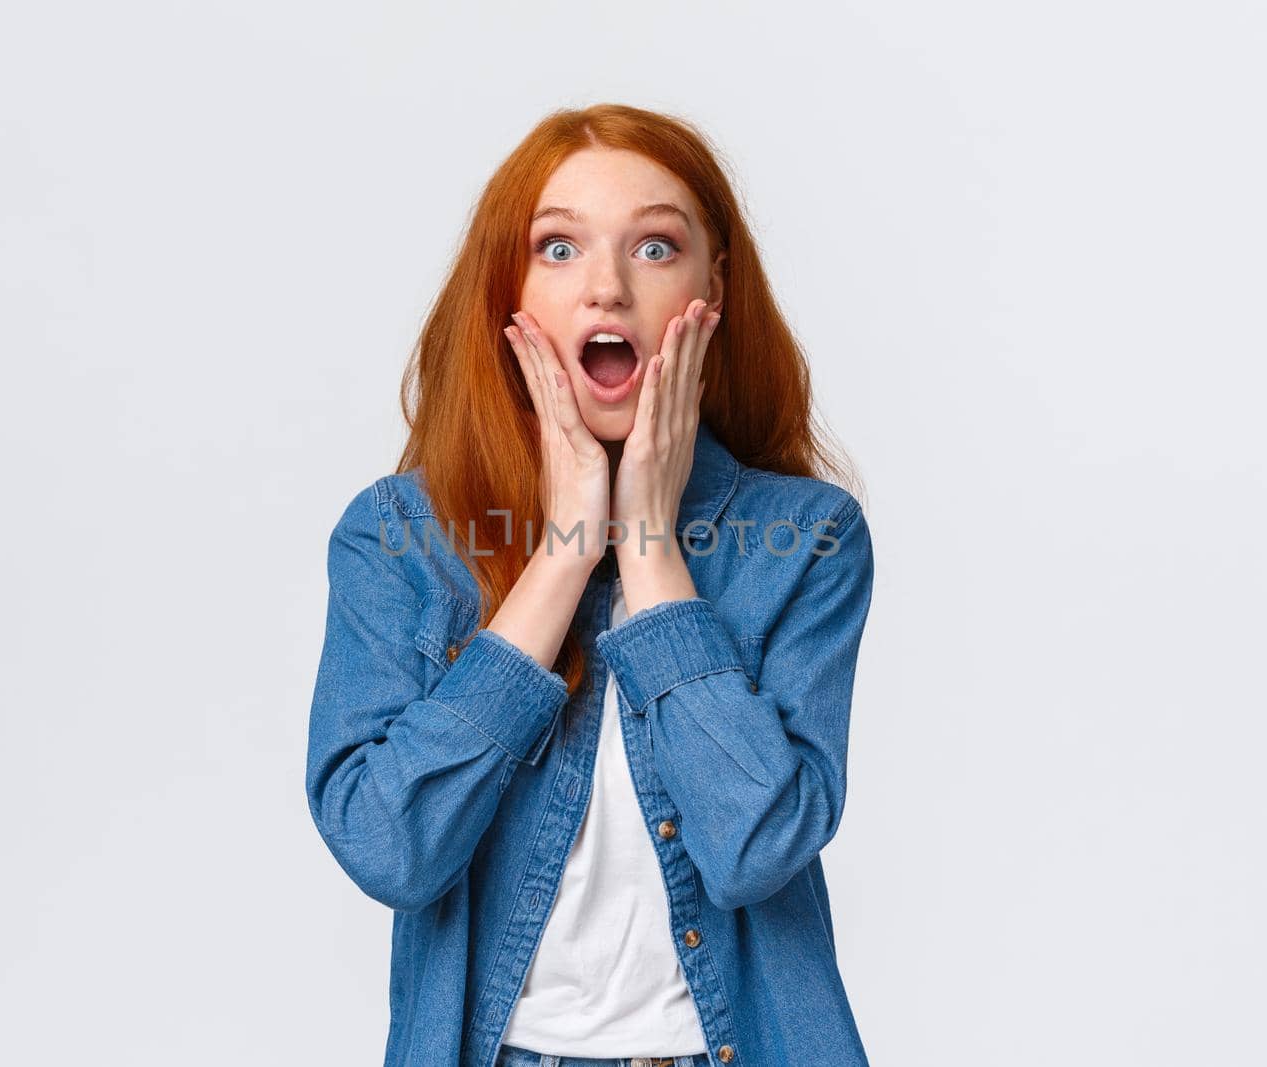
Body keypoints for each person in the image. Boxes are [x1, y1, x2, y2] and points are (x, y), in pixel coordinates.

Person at [306, 103, 877, 1067]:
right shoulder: (398, 536)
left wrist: (649, 545)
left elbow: (758, 846)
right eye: (559, 248)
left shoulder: (807, 540)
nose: (607, 289)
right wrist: (566, 551)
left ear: (715, 288)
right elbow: (390, 849)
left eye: (655, 246)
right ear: (510, 289)